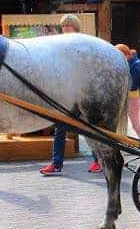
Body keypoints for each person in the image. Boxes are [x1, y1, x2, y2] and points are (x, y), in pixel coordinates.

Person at [40, 14, 100, 175]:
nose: (66, 28)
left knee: (90, 129)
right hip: (65, 95)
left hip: (81, 93)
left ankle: (98, 160)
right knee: (59, 129)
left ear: (75, 27)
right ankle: (56, 163)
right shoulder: (60, 45)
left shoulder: (83, 44)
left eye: (69, 25)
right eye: (64, 26)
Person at [115, 43, 140, 136]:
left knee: (136, 125)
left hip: (132, 97)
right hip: (124, 95)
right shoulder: (126, 61)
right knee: (117, 124)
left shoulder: (137, 64)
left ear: (126, 54)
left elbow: (132, 83)